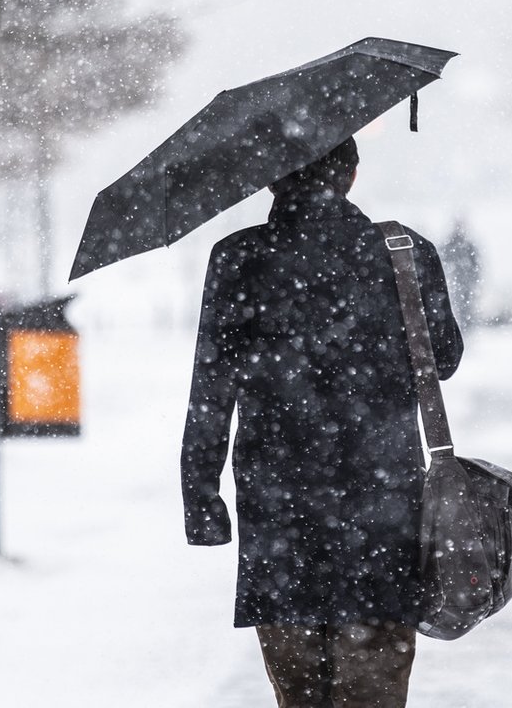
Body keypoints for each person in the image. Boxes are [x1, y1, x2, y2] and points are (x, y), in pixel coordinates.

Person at [180, 136, 463, 707]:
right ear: (351, 174)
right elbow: (446, 359)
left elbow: (210, 388)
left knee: (300, 688)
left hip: (278, 511)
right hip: (382, 506)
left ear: (268, 180)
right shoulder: (404, 252)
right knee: (374, 683)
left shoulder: (238, 258)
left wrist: (201, 496)